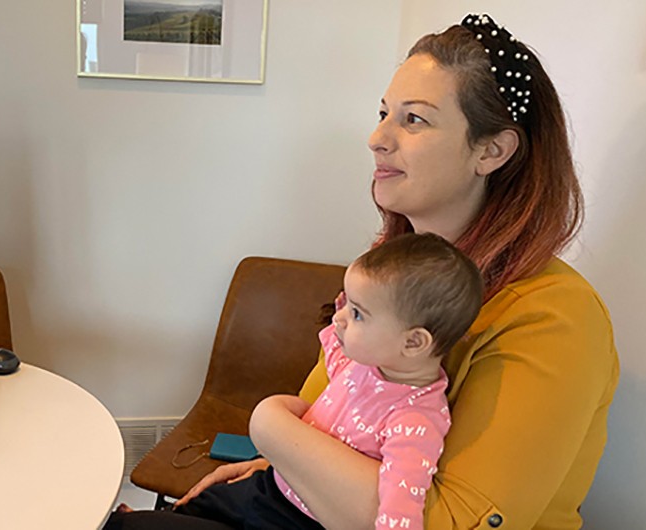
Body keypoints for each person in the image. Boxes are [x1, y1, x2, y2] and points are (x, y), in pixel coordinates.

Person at [107, 13, 619, 530]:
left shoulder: (556, 319)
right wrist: (275, 465)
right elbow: (326, 420)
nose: (377, 137)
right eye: (383, 113)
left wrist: (271, 431)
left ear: (492, 150)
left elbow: (448, 522)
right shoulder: (394, 272)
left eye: (413, 119)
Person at [114, 233, 483, 530]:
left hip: (296, 520)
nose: (340, 319)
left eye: (358, 314)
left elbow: (401, 509)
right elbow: (333, 344)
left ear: (413, 341)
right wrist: (348, 310)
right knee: (194, 504)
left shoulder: (416, 420)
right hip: (270, 484)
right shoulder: (364, 363)